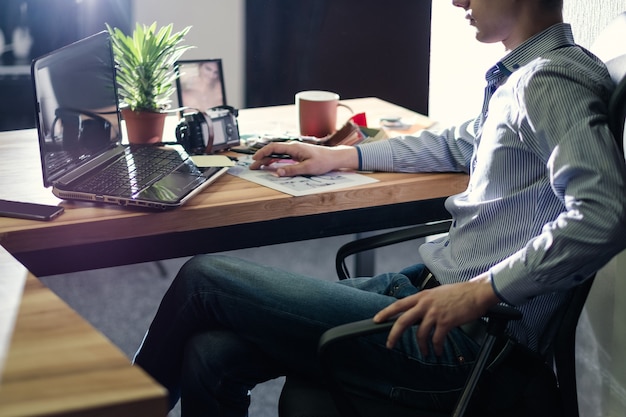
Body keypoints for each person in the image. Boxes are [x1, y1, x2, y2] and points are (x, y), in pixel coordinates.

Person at [134, 0, 626, 415]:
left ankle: (114, 407)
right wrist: (340, 154)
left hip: (463, 341)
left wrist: (481, 292)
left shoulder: (548, 82)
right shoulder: (527, 75)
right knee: (210, 352)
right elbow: (457, 144)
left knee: (202, 278)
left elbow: (603, 212)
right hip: (423, 294)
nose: (457, 1)